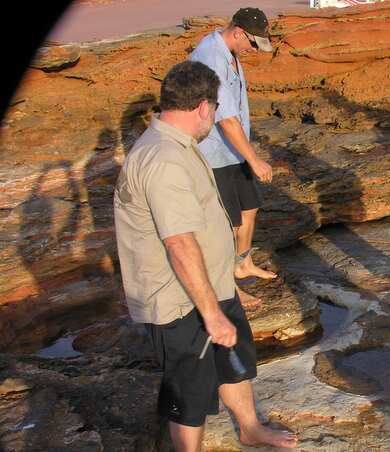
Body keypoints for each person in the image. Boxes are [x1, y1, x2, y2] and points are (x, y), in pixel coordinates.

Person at [114, 60, 297, 451]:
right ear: (202, 106)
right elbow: (178, 243)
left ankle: (250, 429)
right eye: (215, 109)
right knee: (191, 387)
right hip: (178, 299)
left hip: (210, 284)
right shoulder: (163, 158)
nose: (214, 118)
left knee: (235, 360)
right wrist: (212, 315)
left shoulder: (178, 144)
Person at [189, 7, 277, 308]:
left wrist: (246, 155)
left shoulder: (230, 52)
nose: (254, 50)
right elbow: (225, 119)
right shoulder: (211, 58)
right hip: (213, 153)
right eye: (253, 43)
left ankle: (243, 263)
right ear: (239, 32)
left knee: (249, 208)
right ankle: (225, 285)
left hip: (232, 151)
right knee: (223, 223)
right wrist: (254, 160)